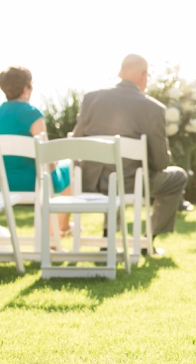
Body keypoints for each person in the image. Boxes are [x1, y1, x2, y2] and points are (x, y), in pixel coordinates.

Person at [72, 54, 188, 238]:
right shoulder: (153, 108)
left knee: (116, 173)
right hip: (130, 183)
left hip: (91, 181)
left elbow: (75, 143)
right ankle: (149, 238)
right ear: (144, 75)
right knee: (178, 177)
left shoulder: (91, 99)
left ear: (120, 73)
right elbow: (160, 163)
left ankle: (108, 234)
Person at [0, 67, 72, 231]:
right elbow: (48, 161)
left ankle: (58, 230)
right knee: (68, 167)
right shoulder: (32, 114)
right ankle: (60, 229)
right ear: (26, 88)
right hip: (31, 181)